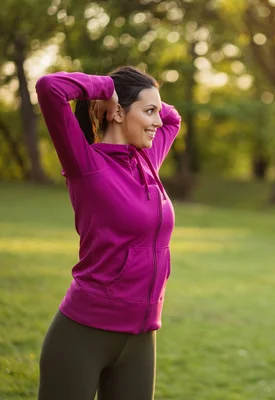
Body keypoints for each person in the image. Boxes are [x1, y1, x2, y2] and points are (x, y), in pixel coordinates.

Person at [35, 66, 181, 400]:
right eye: (149, 112)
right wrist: (106, 89)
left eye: (156, 111)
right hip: (84, 334)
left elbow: (173, 120)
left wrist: (146, 100)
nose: (158, 121)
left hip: (142, 337)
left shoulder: (146, 160)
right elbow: (49, 88)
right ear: (116, 112)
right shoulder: (86, 164)